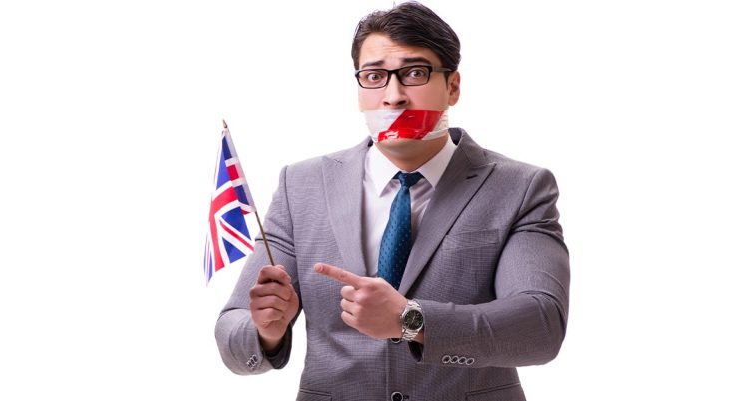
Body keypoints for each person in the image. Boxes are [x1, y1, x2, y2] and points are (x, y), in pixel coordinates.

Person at [215, 2, 569, 400]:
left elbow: (540, 326)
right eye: (375, 76)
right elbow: (233, 330)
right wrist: (266, 332)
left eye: (415, 73)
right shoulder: (302, 186)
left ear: (453, 86)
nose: (394, 96)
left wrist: (410, 320)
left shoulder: (520, 187)